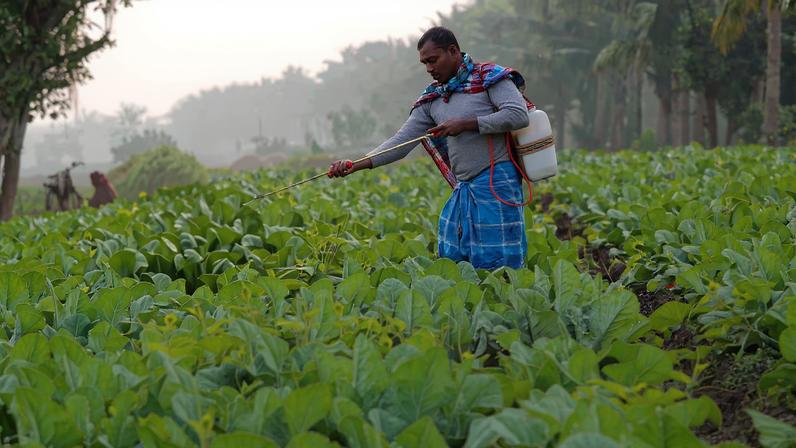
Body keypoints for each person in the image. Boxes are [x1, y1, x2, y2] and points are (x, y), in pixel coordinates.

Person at [328, 26, 532, 270]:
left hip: (496, 181)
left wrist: (467, 124)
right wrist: (355, 165)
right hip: (464, 187)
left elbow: (518, 114)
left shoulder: (489, 78)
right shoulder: (433, 98)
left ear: (453, 51)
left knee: (499, 261)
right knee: (456, 257)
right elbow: (401, 143)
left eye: (433, 60)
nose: (429, 69)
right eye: (424, 63)